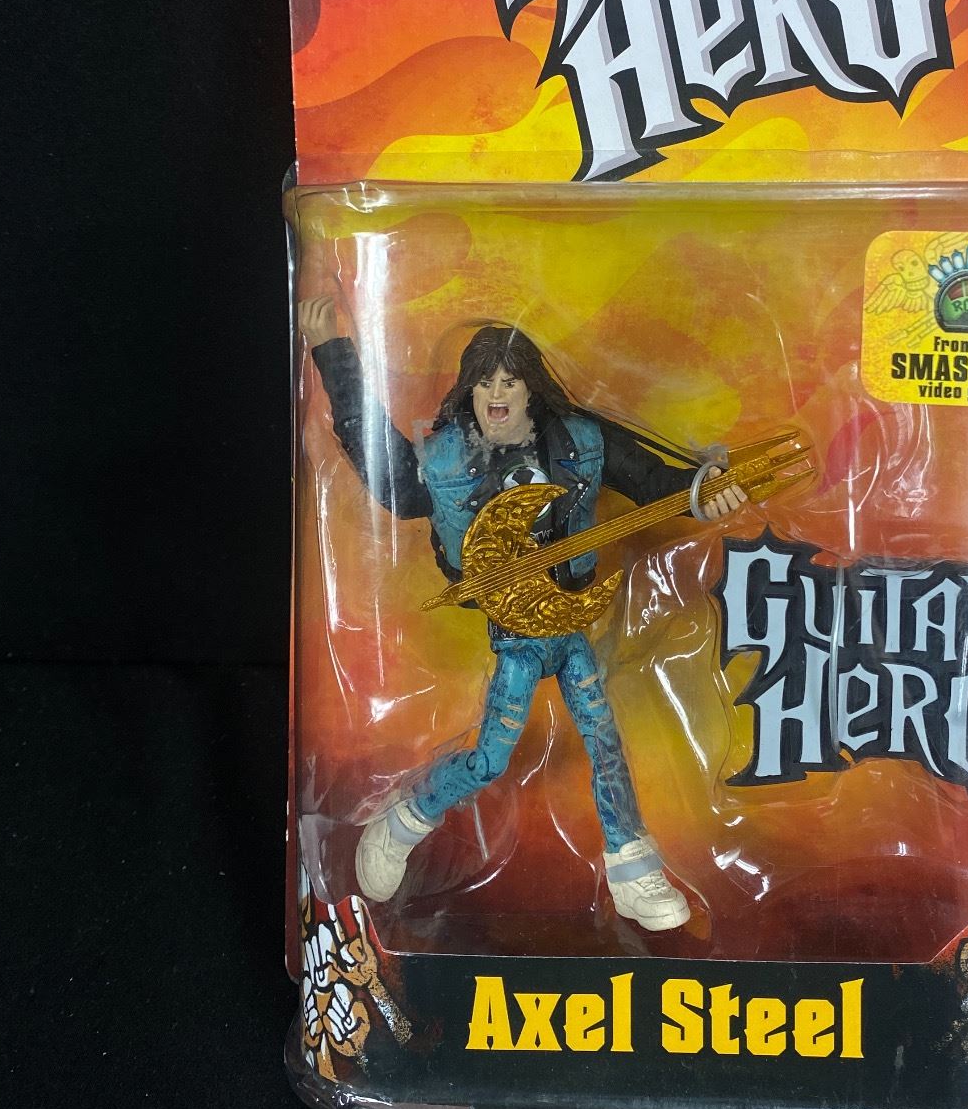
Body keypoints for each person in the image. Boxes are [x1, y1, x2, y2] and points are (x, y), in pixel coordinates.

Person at [299, 299, 745, 932]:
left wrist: (705, 490)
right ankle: (404, 821)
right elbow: (387, 473)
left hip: (570, 623)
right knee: (490, 758)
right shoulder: (444, 459)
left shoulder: (581, 442)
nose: (497, 395)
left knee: (604, 740)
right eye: (485, 382)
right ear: (470, 390)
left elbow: (654, 481)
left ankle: (630, 868)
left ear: (531, 388)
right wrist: (333, 352)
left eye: (509, 381)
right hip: (516, 635)